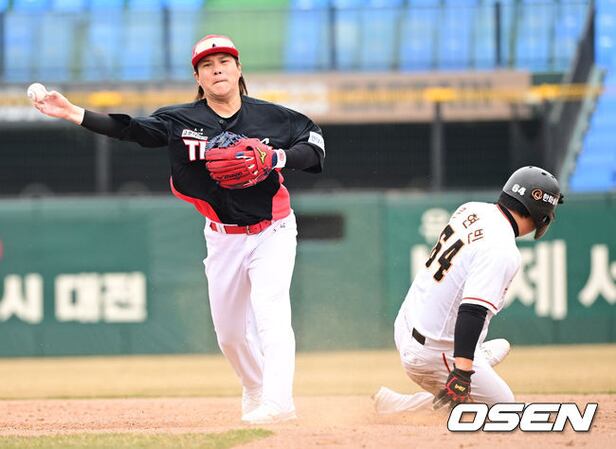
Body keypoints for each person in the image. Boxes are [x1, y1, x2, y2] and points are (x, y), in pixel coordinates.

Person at [30, 34, 325, 424]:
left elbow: (314, 145)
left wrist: (276, 158)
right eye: (207, 65)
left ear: (239, 69)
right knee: (230, 336)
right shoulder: (180, 121)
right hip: (222, 236)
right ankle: (255, 388)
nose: (217, 69)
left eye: (224, 61)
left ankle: (278, 401)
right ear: (198, 78)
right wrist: (74, 113)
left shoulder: (273, 118)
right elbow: (130, 129)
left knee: (271, 313)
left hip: (273, 230)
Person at [374, 166, 564, 413]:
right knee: (503, 408)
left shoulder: (472, 209)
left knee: (500, 345)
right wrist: (462, 373)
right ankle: (399, 406)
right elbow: (472, 310)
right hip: (433, 351)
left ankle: (471, 357)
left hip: (406, 326)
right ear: (539, 214)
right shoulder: (502, 249)